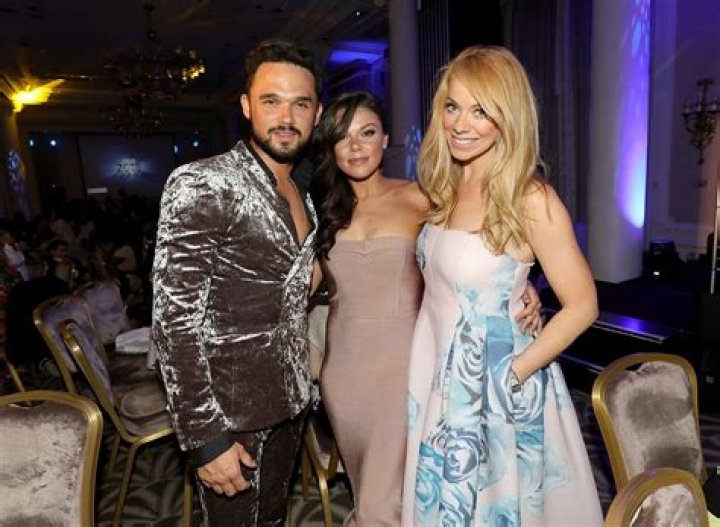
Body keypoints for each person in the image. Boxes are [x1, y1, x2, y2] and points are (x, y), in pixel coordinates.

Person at [313, 91, 542, 525]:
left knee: (385, 503)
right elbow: (294, 293)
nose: (356, 146)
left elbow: (473, 251)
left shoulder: (424, 198)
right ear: (331, 147)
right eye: (343, 137)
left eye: (367, 133)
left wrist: (521, 284)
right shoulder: (324, 213)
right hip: (344, 376)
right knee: (372, 490)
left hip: (408, 368)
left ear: (386, 140)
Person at [401, 46, 603, 525]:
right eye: (453, 107)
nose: (460, 124)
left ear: (507, 118)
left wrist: (510, 375)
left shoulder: (530, 197)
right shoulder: (445, 185)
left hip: (496, 390)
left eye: (480, 111)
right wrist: (520, 286)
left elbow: (583, 304)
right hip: (436, 372)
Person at [152, 38, 322, 525]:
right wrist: (206, 438)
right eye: (271, 101)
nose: (286, 117)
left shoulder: (302, 190)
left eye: (300, 104)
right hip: (231, 420)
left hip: (289, 405)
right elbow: (174, 321)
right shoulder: (204, 182)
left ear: (316, 114)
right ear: (247, 106)